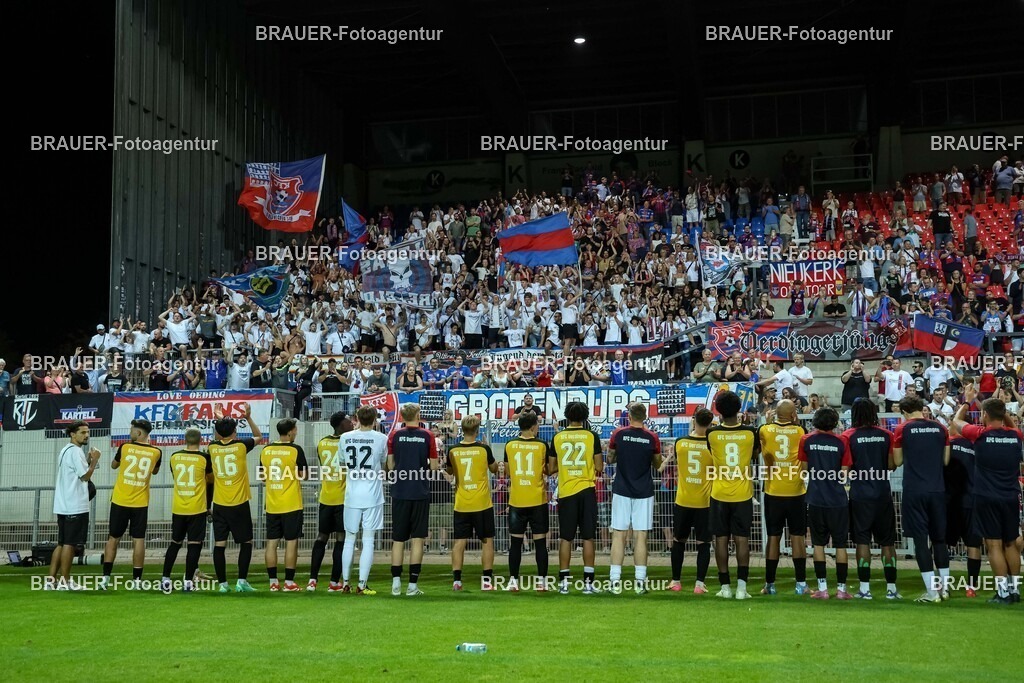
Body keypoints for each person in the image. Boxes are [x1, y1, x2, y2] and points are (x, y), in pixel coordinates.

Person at [949, 397, 1024, 604]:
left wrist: (966, 402)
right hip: (1010, 496)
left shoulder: (979, 434)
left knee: (993, 545)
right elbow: (1011, 425)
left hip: (986, 497)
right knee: (1011, 544)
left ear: (984, 416)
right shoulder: (1016, 436)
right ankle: (1014, 590)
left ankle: (1002, 593)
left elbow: (957, 422)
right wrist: (999, 411)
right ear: (1003, 415)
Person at [893, 395, 951, 603]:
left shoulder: (902, 429)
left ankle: (932, 592)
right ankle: (945, 589)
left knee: (920, 540)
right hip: (937, 488)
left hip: (915, 490)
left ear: (905, 412)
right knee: (939, 540)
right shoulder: (940, 428)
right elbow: (946, 460)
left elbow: (898, 461)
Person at [842, 399, 901, 600]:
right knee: (887, 542)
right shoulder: (886, 434)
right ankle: (891, 589)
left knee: (862, 541)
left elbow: (846, 468)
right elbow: (892, 465)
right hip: (882, 494)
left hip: (860, 495)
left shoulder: (848, 436)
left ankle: (865, 589)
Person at [706, 390, 760, 600]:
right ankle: (741, 588)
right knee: (742, 539)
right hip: (743, 494)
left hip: (719, 493)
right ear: (739, 409)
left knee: (721, 539)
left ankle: (725, 587)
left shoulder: (712, 434)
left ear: (719, 410)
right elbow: (754, 455)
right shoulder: (750, 433)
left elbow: (713, 453)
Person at [547, 401, 604, 594]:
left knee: (566, 537)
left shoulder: (558, 437)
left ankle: (564, 583)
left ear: (567, 416)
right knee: (588, 537)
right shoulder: (591, 436)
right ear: (585, 417)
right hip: (587, 489)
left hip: (567, 491)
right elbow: (599, 467)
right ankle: (588, 583)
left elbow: (552, 468)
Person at [607, 403, 663, 595]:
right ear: (645, 416)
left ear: (629, 416)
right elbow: (657, 463)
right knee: (641, 535)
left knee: (619, 534)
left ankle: (615, 581)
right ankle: (640, 582)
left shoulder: (618, 434)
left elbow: (610, 459)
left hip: (622, 489)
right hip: (644, 490)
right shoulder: (652, 437)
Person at [100, 418, 161, 589]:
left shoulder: (125, 447)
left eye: (132, 429)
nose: (130, 432)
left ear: (139, 433)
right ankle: (137, 581)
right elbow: (155, 471)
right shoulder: (156, 452)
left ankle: (105, 578)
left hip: (120, 500)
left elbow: (114, 465)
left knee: (113, 538)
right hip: (140, 503)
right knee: (139, 540)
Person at [209, 403, 264, 593]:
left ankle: (223, 584)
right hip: (239, 503)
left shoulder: (212, 448)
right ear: (235, 431)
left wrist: (219, 420)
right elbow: (259, 437)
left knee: (219, 544)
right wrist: (248, 417)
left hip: (220, 504)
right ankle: (242, 581)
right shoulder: (241, 446)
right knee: (246, 542)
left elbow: (220, 436)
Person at [798, 407, 852, 599]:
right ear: (835, 423)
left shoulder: (806, 440)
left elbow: (804, 469)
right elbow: (844, 472)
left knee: (818, 544)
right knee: (840, 545)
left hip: (815, 498)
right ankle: (842, 590)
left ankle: (822, 589)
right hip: (838, 499)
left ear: (815, 421)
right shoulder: (841, 442)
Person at [757, 400, 809, 595]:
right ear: (794, 414)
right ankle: (801, 584)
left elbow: (762, 440)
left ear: (775, 413)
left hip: (773, 491)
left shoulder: (765, 430)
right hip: (796, 491)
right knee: (797, 537)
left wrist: (767, 420)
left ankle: (769, 584)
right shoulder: (800, 432)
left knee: (773, 537)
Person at [337, 405, 389, 595]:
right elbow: (385, 464)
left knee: (349, 540)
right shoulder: (381, 438)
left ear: (357, 418)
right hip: (372, 495)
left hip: (351, 495)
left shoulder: (344, 437)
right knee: (368, 540)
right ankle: (361, 584)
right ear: (375, 419)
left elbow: (342, 464)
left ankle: (345, 583)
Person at [388, 403, 439, 596]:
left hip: (400, 490)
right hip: (419, 491)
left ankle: (395, 584)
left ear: (402, 415)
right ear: (418, 415)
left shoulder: (394, 435)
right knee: (418, 538)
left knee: (398, 539)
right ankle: (412, 585)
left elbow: (391, 464)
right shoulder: (427, 435)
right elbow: (434, 467)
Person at [664, 407, 714, 594]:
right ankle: (699, 585)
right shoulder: (711, 445)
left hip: (683, 500)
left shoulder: (681, 442)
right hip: (704, 502)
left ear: (694, 420)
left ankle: (676, 581)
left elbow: (677, 462)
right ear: (710, 423)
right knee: (704, 544)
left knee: (678, 541)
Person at [447, 415, 499, 591]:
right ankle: (486, 581)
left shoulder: (453, 450)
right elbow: (494, 469)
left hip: (462, 503)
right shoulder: (484, 449)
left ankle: (457, 581)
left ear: (462, 429)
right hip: (482, 503)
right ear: (477, 430)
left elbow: (450, 471)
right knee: (487, 541)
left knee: (460, 542)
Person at [47, 421, 100, 590]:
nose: (86, 435)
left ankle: (51, 581)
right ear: (72, 434)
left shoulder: (65, 450)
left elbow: (74, 472)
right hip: (75, 504)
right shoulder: (76, 451)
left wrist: (88, 460)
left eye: (87, 432)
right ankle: (65, 581)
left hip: (63, 504)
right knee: (70, 544)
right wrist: (94, 461)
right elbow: (84, 476)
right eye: (83, 432)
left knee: (62, 543)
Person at [160, 427, 213, 593]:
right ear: (200, 440)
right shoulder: (204, 458)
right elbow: (211, 480)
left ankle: (165, 579)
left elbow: (176, 476)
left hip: (178, 508)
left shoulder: (174, 457)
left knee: (174, 544)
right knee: (194, 546)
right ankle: (188, 583)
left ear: (185, 439)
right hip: (197, 508)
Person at [503, 411, 551, 592]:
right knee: (540, 542)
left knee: (515, 543)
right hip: (537, 499)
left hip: (517, 500)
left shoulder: (510, 445)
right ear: (533, 427)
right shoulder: (541, 445)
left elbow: (507, 471)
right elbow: (547, 469)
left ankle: (513, 581)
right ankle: (542, 581)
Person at [259, 418, 308, 591]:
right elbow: (304, 476)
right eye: (295, 430)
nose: (296, 432)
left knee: (271, 543)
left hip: (272, 504)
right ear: (289, 432)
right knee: (291, 542)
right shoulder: (295, 450)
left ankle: (273, 582)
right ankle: (288, 582)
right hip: (291, 503)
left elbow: (263, 477)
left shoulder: (266, 450)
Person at [308, 411, 352, 592]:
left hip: (325, 497)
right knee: (341, 539)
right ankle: (334, 582)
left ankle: (312, 580)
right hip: (342, 499)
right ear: (342, 425)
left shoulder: (322, 443)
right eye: (349, 422)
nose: (351, 424)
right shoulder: (347, 442)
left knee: (321, 537)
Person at [943, 424, 983, 597]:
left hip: (950, 501)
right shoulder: (976, 447)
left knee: (942, 542)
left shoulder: (947, 444)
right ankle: (971, 587)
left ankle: (943, 584)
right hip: (973, 500)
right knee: (973, 544)